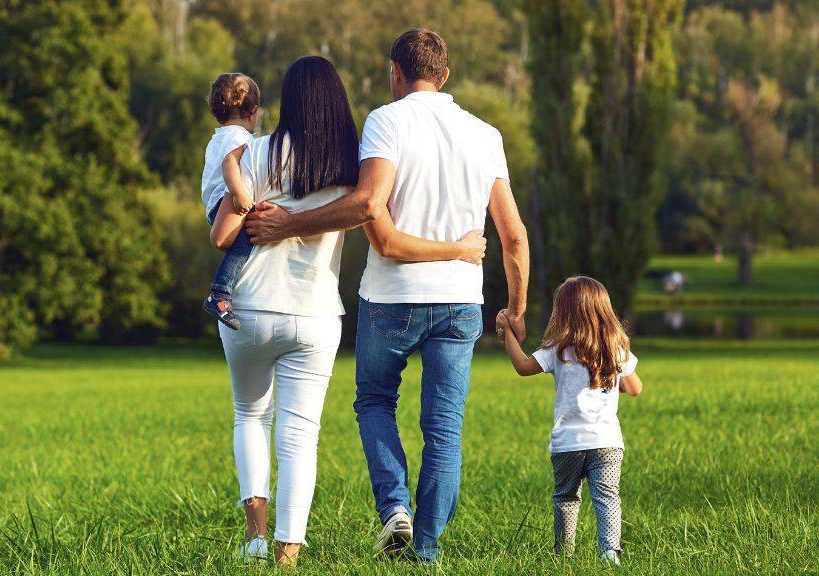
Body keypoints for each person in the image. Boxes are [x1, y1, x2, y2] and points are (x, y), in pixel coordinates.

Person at [244, 28, 531, 562]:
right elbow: (512, 235)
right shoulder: (485, 134)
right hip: (460, 300)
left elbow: (368, 204)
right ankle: (425, 550)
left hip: (391, 297)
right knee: (444, 427)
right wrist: (515, 309)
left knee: (375, 401)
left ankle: (395, 510)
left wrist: (288, 224)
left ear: (394, 71)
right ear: (444, 76)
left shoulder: (386, 121)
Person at [495, 276, 643, 565]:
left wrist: (507, 335)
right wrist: (614, 377)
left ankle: (564, 553)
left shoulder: (558, 348)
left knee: (566, 498)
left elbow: (523, 367)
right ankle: (610, 553)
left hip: (568, 445)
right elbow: (634, 388)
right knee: (607, 497)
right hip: (607, 443)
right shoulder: (616, 348)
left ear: (562, 311)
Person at [200, 72, 260, 329]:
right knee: (248, 237)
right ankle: (221, 293)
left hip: (213, 206)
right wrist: (239, 193)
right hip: (226, 202)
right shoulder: (240, 137)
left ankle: (225, 292)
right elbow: (229, 164)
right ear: (253, 111)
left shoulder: (219, 136)